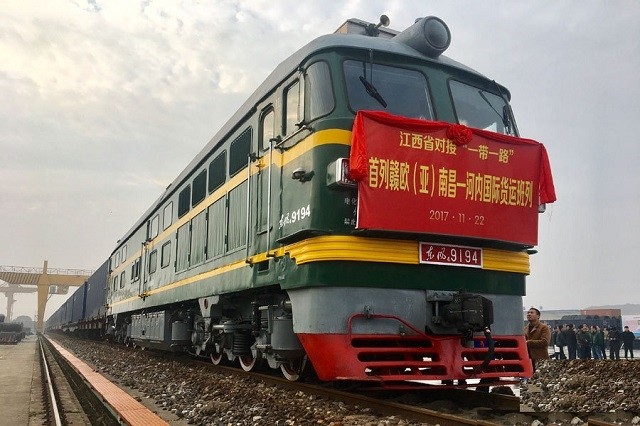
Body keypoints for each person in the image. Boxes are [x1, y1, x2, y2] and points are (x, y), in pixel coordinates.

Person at [524, 307, 551, 372]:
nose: (529, 314)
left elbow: (545, 342)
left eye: (531, 313)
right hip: (528, 360)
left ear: (538, 316)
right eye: (528, 313)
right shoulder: (525, 328)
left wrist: (528, 342)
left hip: (540, 358)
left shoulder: (544, 328)